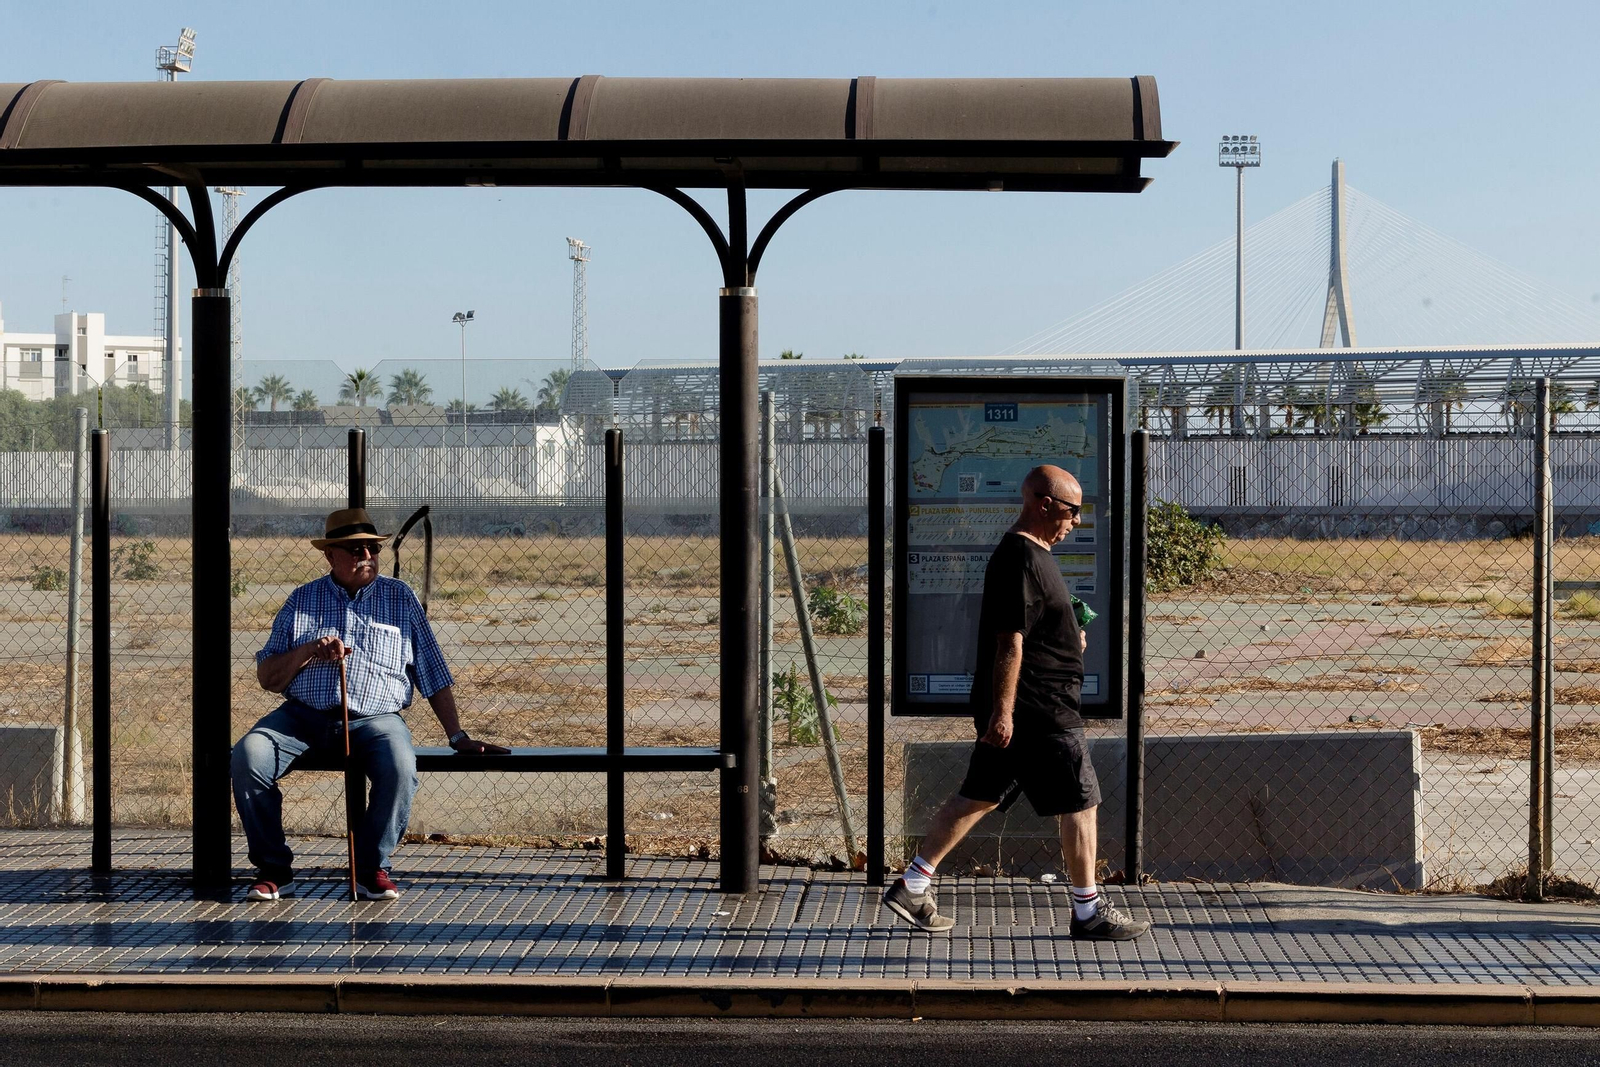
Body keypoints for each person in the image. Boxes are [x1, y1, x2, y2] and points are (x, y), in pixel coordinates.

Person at [883, 465, 1151, 940]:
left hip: (1023, 709)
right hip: (1040, 710)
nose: (1076, 521)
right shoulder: (1020, 558)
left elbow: (1031, 631)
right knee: (1082, 801)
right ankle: (1088, 912)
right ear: (1043, 503)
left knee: (979, 795)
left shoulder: (1034, 556)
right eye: (1072, 511)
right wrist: (1002, 712)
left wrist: (1070, 638)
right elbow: (1009, 641)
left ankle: (913, 883)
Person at [231, 507, 508, 902]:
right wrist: (309, 650)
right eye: (354, 548)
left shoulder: (400, 598)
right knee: (248, 755)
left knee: (400, 765)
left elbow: (432, 669)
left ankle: (370, 866)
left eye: (372, 548)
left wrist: (457, 734)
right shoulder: (302, 600)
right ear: (330, 555)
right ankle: (274, 869)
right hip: (301, 718)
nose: (366, 556)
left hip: (376, 720)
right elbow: (268, 676)